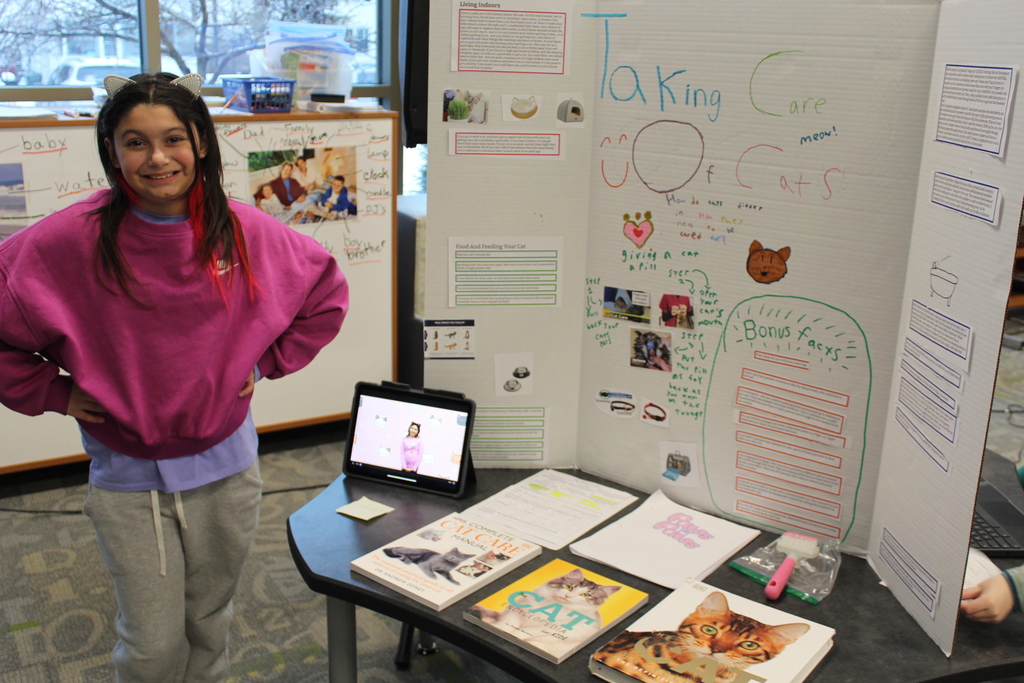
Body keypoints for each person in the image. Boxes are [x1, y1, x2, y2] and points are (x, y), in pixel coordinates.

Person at [0, 72, 349, 682]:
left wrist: (265, 363)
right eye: (135, 142)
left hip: (228, 471)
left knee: (208, 626)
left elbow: (325, 298)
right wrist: (54, 391)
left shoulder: (246, 231)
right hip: (129, 479)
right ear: (111, 151)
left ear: (202, 144)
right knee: (153, 647)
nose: (157, 158)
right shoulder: (63, 243)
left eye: (173, 139)